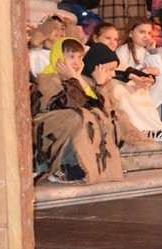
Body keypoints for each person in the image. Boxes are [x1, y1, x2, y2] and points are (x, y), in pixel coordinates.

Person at [31, 39, 127, 184]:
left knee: (106, 116)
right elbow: (73, 104)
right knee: (80, 116)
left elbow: (98, 106)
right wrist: (73, 78)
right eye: (71, 57)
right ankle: (64, 166)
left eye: (79, 57)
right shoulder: (47, 78)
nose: (76, 62)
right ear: (58, 57)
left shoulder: (80, 79)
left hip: (73, 118)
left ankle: (99, 166)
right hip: (49, 127)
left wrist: (83, 80)